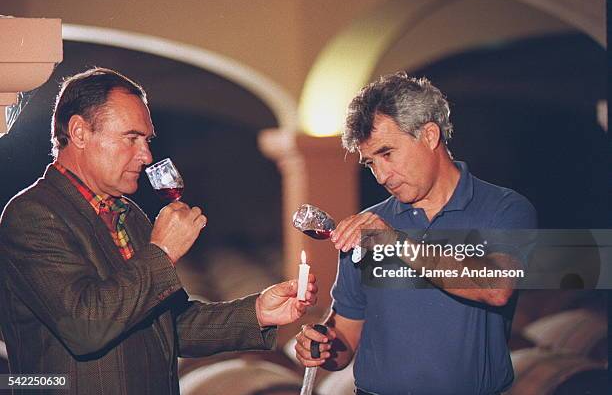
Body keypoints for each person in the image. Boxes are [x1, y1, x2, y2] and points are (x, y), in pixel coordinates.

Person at [0, 67, 317, 395]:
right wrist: (162, 252)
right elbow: (84, 327)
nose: (147, 155)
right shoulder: (34, 216)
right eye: (132, 138)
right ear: (79, 132)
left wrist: (257, 312)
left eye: (147, 140)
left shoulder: (129, 215)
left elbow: (170, 325)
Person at [295, 72, 536, 395]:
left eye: (387, 154)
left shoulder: (504, 209)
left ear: (430, 135)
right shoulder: (370, 224)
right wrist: (323, 344)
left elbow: (495, 288)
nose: (381, 175)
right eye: (370, 164)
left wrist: (396, 242)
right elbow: (347, 338)